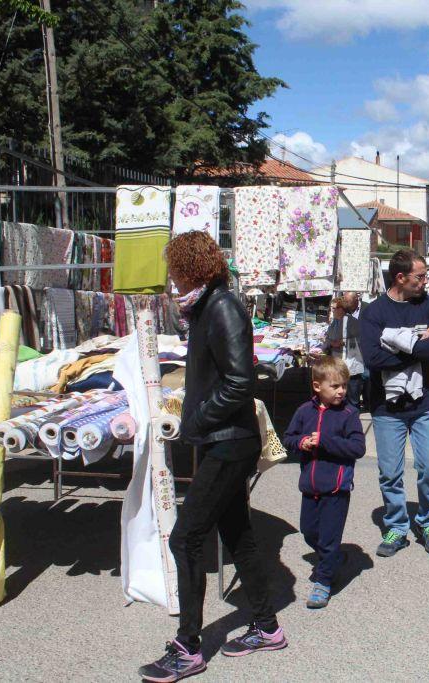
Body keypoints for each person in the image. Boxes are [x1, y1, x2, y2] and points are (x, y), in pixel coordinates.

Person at [140, 231, 284, 683]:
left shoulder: (222, 306)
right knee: (237, 534)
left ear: (190, 267)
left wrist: (197, 420)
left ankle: (187, 648)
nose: (172, 278)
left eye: (175, 268)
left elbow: (241, 382)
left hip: (228, 441)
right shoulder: (209, 306)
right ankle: (267, 627)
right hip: (223, 438)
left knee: (185, 539)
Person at [359, 249, 429, 557]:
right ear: (401, 277)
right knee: (390, 473)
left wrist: (397, 343)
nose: (425, 282)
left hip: (425, 401)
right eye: (420, 276)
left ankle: (427, 521)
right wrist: (418, 344)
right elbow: (372, 358)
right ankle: (397, 527)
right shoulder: (373, 312)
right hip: (386, 407)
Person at [284, 355, 366, 609]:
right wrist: (301, 443)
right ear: (317, 386)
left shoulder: (349, 414)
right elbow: (288, 438)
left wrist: (325, 441)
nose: (342, 391)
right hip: (310, 486)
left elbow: (357, 447)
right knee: (309, 531)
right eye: (336, 386)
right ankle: (330, 558)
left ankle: (324, 581)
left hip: (336, 489)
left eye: (344, 385)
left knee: (329, 538)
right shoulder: (303, 411)